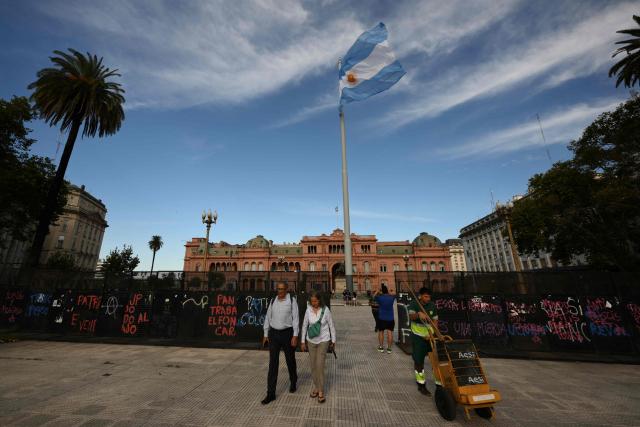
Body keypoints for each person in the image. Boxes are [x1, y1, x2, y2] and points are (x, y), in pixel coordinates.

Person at [261, 282, 299, 405]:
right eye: (278, 289)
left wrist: (295, 335)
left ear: (287, 290)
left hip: (287, 334)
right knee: (273, 364)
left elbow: (296, 318)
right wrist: (266, 334)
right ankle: (270, 393)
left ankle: (293, 381)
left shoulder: (292, 301)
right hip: (274, 335)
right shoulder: (273, 301)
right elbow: (268, 317)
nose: (280, 291)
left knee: (290, 360)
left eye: (282, 289)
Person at [300, 291, 336, 404]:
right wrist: (302, 341)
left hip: (323, 340)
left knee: (320, 365)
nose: (313, 303)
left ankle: (320, 391)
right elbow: (305, 325)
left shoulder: (325, 310)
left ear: (319, 300)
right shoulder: (308, 310)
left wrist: (333, 340)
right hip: (311, 341)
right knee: (313, 366)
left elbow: (331, 325)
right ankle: (316, 386)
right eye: (312, 301)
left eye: (315, 301)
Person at [408, 287, 439, 396]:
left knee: (435, 361)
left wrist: (435, 331)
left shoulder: (432, 305)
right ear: (420, 296)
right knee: (418, 361)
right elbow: (411, 316)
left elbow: (435, 319)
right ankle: (421, 385)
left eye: (429, 296)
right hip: (418, 336)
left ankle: (439, 384)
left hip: (430, 337)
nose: (428, 298)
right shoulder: (414, 304)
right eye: (426, 296)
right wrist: (418, 314)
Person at [374, 284, 396, 353]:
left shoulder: (380, 298)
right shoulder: (391, 298)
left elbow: (373, 296)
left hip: (381, 318)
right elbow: (395, 293)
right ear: (387, 291)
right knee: (390, 332)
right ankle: (389, 349)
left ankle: (381, 347)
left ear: (382, 291)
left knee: (381, 332)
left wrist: (377, 291)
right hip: (390, 318)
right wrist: (390, 292)